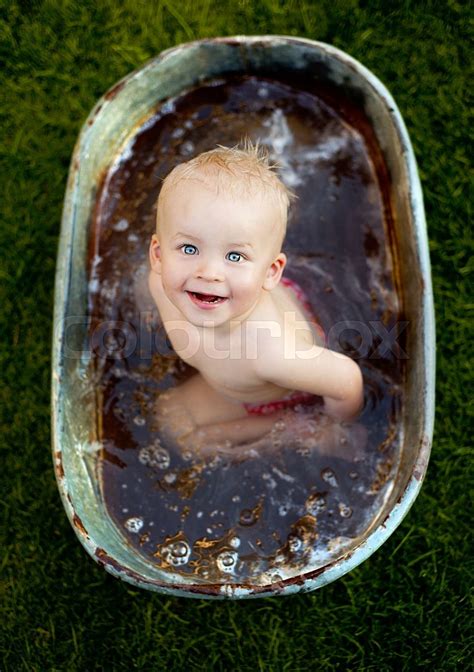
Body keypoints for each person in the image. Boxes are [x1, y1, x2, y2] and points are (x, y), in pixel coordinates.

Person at [148, 141, 364, 456]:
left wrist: (332, 425)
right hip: (247, 308)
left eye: (234, 255)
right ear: (158, 255)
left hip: (270, 395)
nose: (209, 272)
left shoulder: (269, 351)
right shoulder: (159, 283)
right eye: (189, 249)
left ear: (270, 272)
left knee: (175, 425)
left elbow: (345, 379)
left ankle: (293, 428)